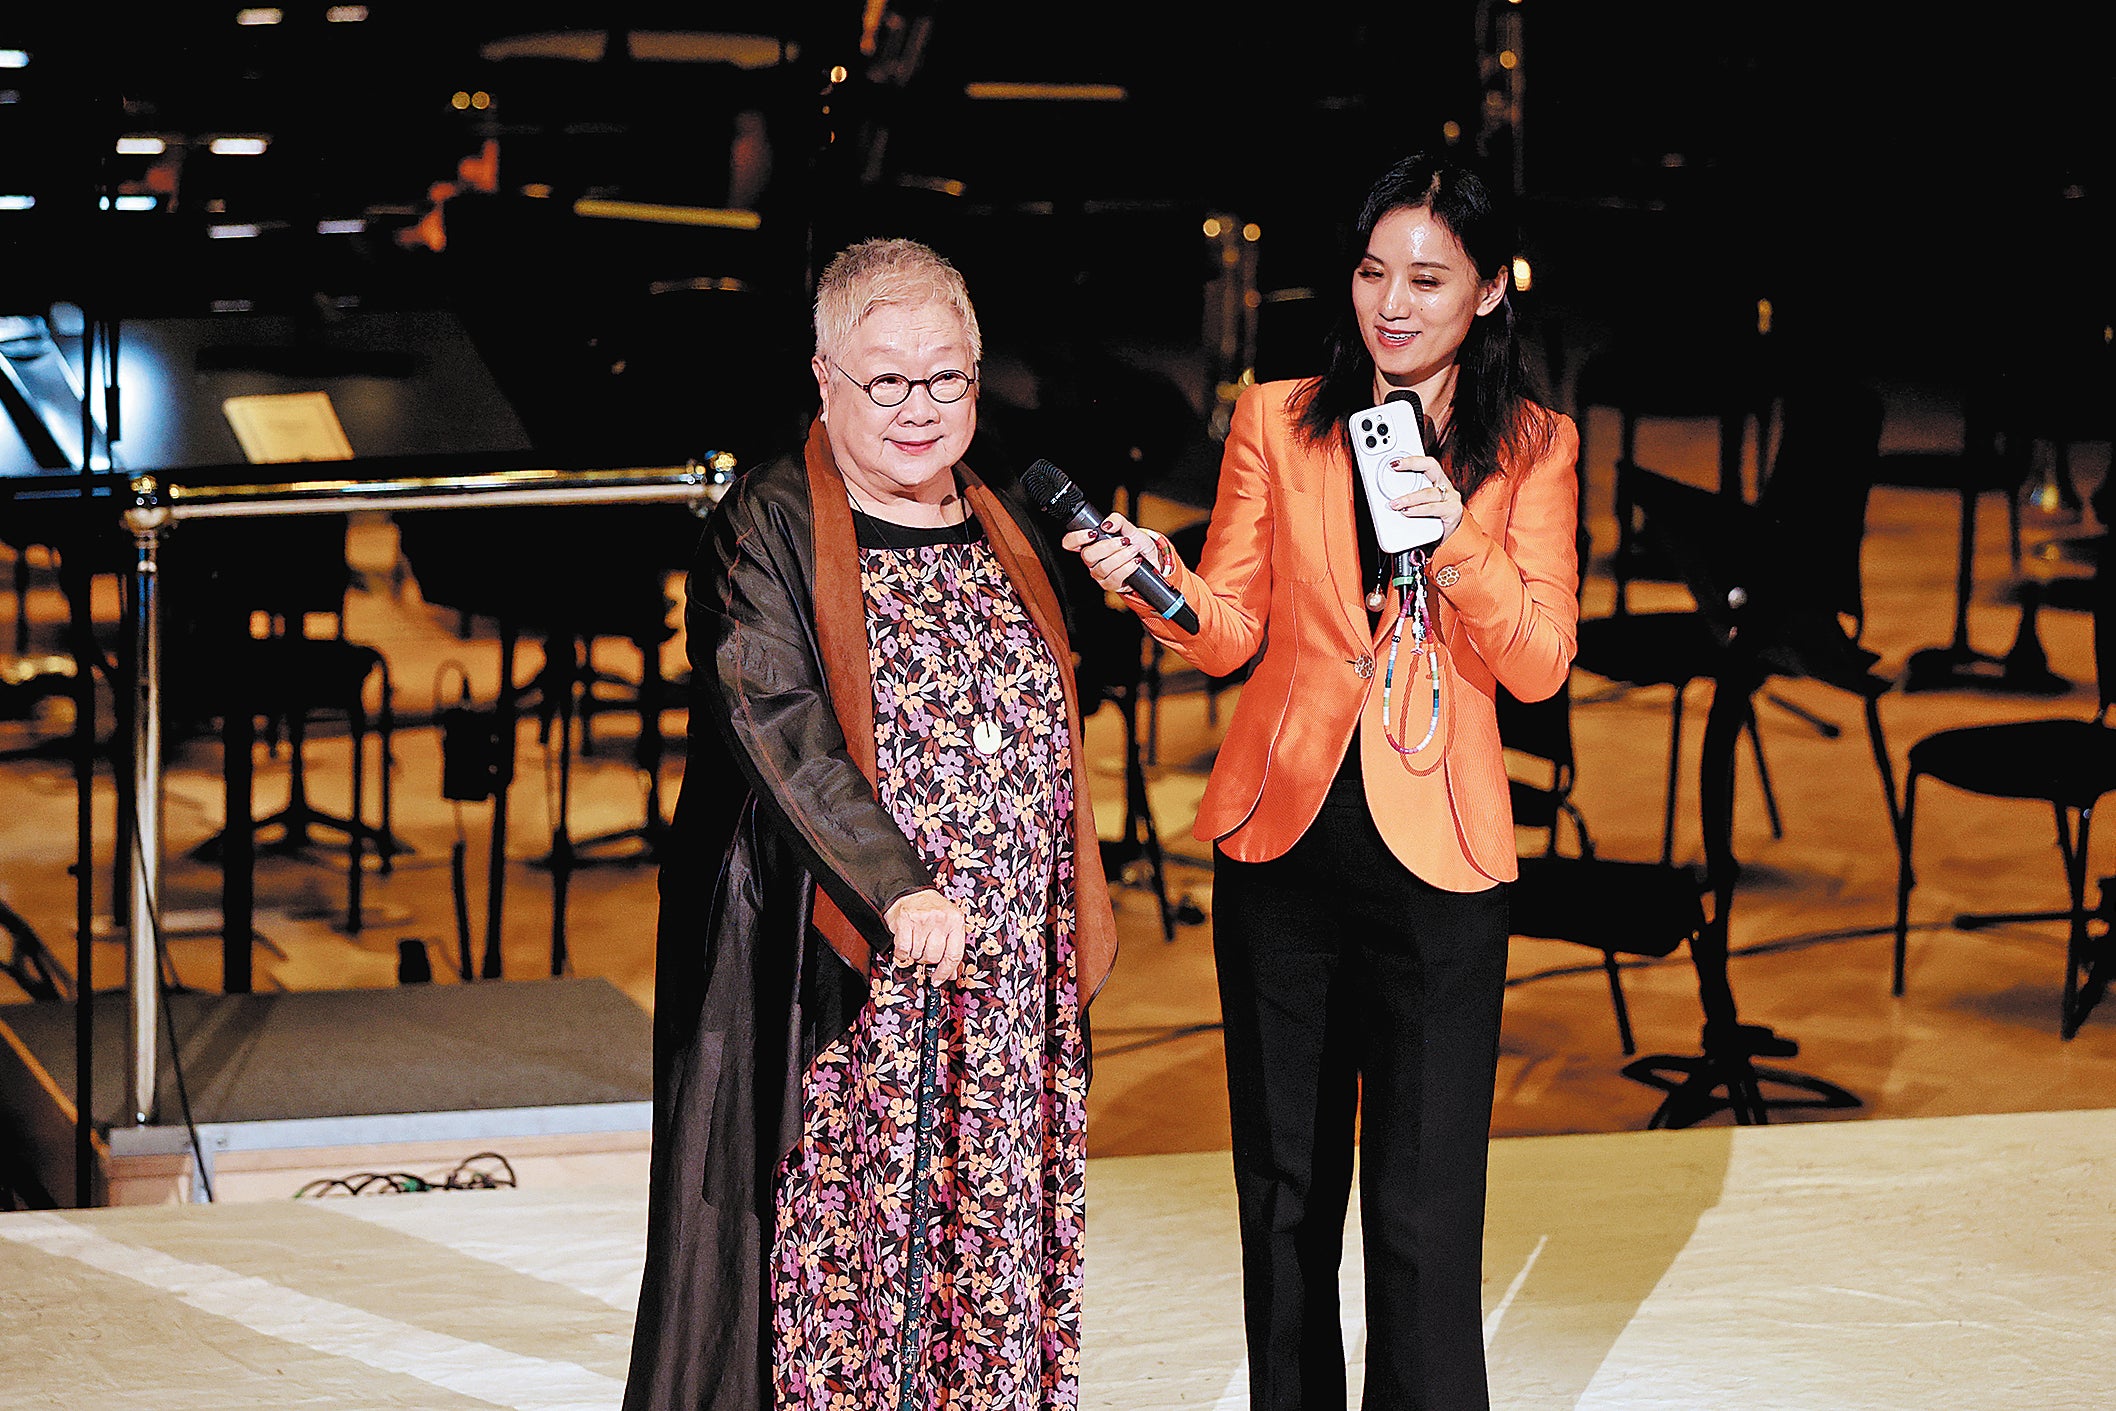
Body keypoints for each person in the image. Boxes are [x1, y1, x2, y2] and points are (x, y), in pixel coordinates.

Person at [1068, 153, 1579, 1409]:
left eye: (1425, 278)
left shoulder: (1534, 447)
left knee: (1423, 1204)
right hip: (1283, 839)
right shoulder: (1276, 417)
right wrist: (1153, 578)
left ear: (1490, 292)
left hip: (1441, 856)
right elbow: (1233, 625)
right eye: (1369, 272)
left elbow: (1539, 665)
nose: (1390, 304)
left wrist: (1449, 530)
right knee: (1286, 1191)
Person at [623, 237, 1119, 1411]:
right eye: (884, 379)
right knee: (850, 1270)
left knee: (984, 1251)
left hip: (1000, 989)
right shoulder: (772, 517)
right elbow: (778, 716)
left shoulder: (999, 509)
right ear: (824, 378)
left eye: (944, 378)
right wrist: (896, 885)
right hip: (847, 967)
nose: (918, 407)